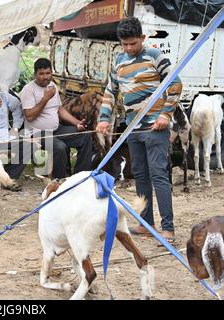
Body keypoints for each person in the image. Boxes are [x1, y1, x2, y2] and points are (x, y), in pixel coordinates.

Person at [96, 17, 182, 243]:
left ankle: (168, 228)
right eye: (124, 44)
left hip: (155, 127)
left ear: (143, 38)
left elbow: (175, 84)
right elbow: (110, 92)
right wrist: (104, 119)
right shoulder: (119, 62)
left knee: (158, 175)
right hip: (132, 129)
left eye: (132, 43)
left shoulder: (155, 56)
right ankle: (146, 223)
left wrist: (165, 115)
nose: (128, 48)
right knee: (140, 175)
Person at [20, 58, 93, 179]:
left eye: (48, 73)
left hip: (57, 130)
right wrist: (45, 99)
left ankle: (80, 176)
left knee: (85, 137)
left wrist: (77, 123)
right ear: (35, 74)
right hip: (37, 133)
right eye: (41, 74)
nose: (45, 77)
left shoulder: (52, 85)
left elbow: (60, 109)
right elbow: (29, 116)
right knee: (59, 147)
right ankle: (58, 180)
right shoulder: (28, 90)